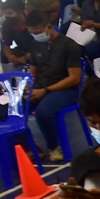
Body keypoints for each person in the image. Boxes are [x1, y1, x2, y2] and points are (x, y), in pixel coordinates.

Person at [25, 10, 83, 162]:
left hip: (65, 91)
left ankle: (53, 147)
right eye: (32, 33)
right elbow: (33, 73)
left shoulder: (69, 46)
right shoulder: (35, 44)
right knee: (7, 109)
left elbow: (74, 78)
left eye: (38, 32)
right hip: (41, 88)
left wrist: (46, 90)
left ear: (49, 27)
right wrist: (27, 88)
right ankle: (28, 147)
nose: (36, 36)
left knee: (43, 112)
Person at [0, 0, 34, 68]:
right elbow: (6, 45)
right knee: (2, 57)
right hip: (22, 50)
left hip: (39, 50)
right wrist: (9, 56)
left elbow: (42, 44)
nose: (7, 16)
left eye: (10, 13)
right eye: (5, 14)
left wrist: (25, 57)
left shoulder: (33, 20)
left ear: (20, 12)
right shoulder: (7, 24)